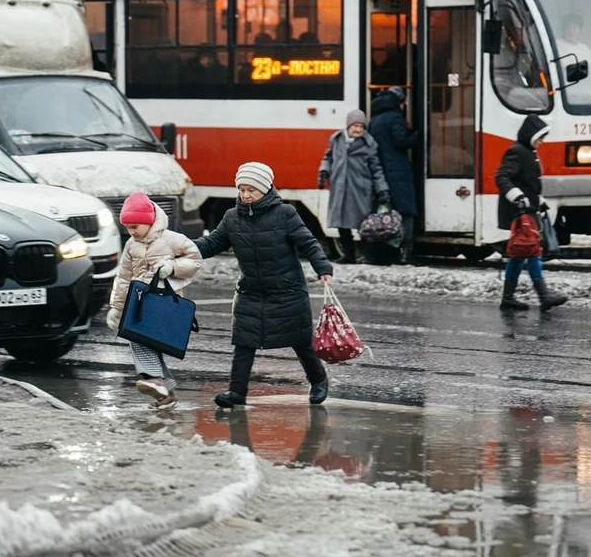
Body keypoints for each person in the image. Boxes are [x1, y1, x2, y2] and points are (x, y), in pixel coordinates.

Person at [194, 162, 333, 409]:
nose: (245, 195)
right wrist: (179, 247)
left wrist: (323, 268)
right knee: (244, 343)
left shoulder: (285, 214)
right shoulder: (231, 217)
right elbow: (210, 245)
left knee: (301, 341)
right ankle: (237, 393)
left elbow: (308, 243)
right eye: (242, 189)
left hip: (287, 290)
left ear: (265, 189)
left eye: (251, 190)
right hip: (252, 291)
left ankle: (319, 380)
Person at [105, 192, 202, 410]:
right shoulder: (131, 246)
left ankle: (154, 380)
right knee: (145, 341)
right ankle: (166, 394)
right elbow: (123, 278)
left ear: (148, 222)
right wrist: (117, 309)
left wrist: (172, 268)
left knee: (142, 339)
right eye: (128, 227)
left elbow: (195, 259)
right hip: (139, 302)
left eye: (135, 226)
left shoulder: (171, 240)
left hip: (164, 301)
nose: (131, 232)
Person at [495, 115, 567, 311]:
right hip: (521, 211)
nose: (542, 142)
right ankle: (543, 296)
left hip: (527, 208)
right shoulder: (517, 151)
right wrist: (518, 197)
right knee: (532, 251)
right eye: (540, 138)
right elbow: (501, 177)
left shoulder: (527, 151)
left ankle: (508, 298)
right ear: (530, 135)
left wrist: (538, 200)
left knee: (519, 253)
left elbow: (527, 183)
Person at [318, 109, 390, 264]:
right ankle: (348, 255)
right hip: (339, 187)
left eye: (361, 126)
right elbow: (328, 157)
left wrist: (382, 189)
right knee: (341, 223)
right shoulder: (336, 139)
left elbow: (376, 169)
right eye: (355, 125)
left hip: (360, 189)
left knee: (364, 225)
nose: (358, 129)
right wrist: (323, 171)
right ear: (348, 125)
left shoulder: (369, 144)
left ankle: (369, 256)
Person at [368, 85, 419, 265]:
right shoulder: (395, 117)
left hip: (381, 170)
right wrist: (418, 136)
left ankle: (386, 253)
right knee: (406, 212)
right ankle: (407, 252)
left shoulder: (374, 120)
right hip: (398, 169)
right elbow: (401, 141)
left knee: (386, 213)